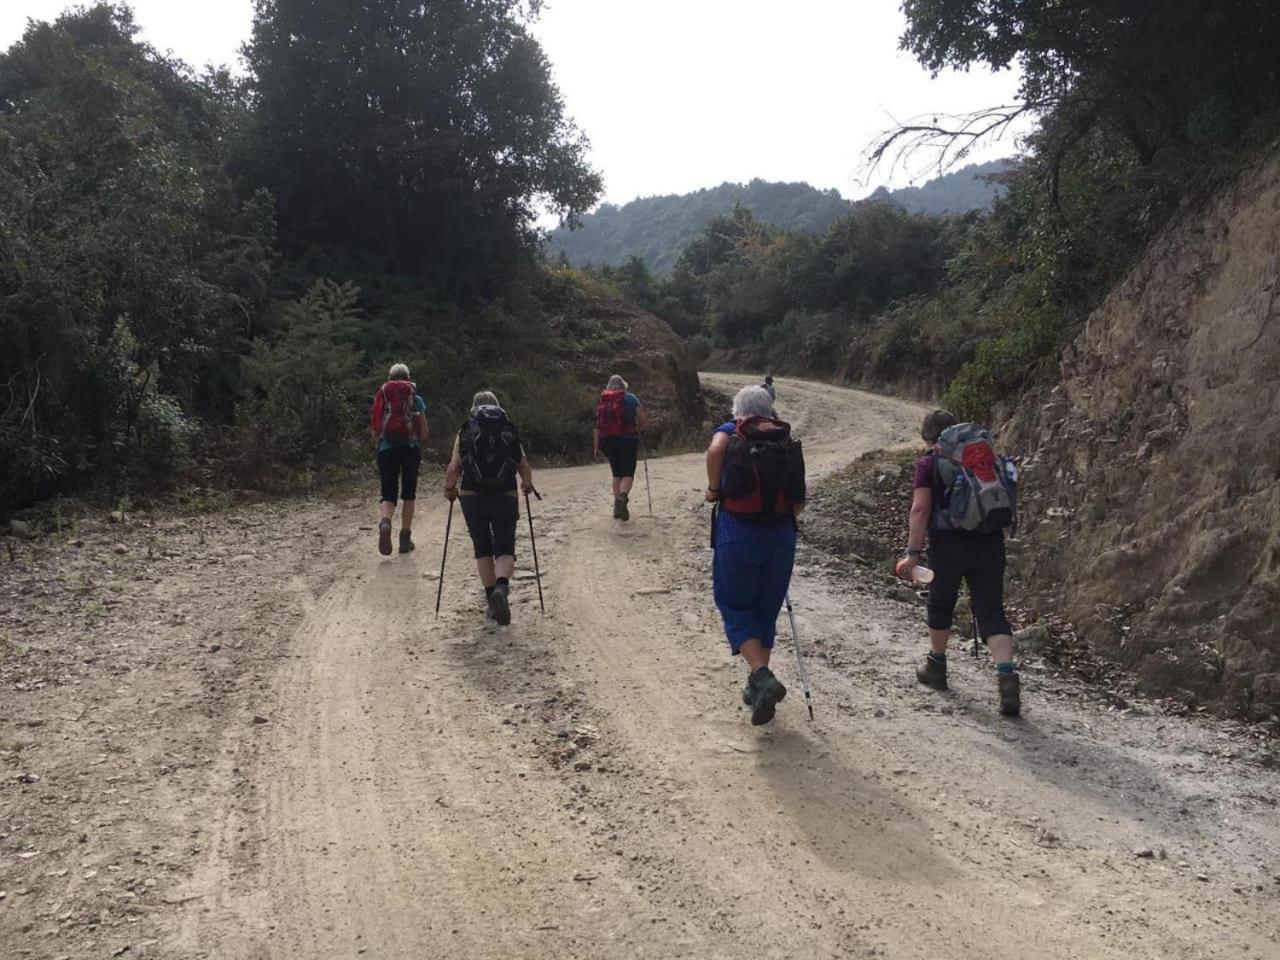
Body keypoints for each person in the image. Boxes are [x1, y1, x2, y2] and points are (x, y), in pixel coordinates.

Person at [896, 410, 1021, 717]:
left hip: (948, 544)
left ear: (930, 438)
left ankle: (936, 667)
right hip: (990, 540)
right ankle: (1007, 680)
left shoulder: (929, 462)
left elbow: (921, 509)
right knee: (991, 609)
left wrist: (912, 553)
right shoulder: (984, 458)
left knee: (940, 604)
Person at [705, 385, 806, 725]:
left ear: (739, 410)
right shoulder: (784, 439)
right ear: (769, 409)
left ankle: (761, 675)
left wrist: (714, 489)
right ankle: (756, 684)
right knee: (765, 609)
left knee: (734, 604)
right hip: (781, 536)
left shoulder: (732, 431)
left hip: (738, 532)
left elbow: (715, 450)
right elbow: (800, 501)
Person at [444, 391, 536, 625]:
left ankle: (490, 599)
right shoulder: (506, 428)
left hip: (472, 495)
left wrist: (450, 488)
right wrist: (526, 483)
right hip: (505, 494)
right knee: (505, 546)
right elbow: (522, 465)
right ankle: (501, 589)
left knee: (482, 548)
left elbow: (454, 466)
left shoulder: (466, 430)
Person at [369, 363, 428, 556]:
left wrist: (380, 443)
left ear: (389, 378)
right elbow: (424, 432)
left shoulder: (382, 397)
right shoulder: (415, 398)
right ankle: (405, 537)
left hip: (387, 449)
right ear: (408, 378)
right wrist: (418, 442)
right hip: (410, 449)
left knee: (388, 493)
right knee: (408, 493)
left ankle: (386, 522)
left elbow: (375, 427)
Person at [592, 374, 648, 520]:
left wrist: (596, 447)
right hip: (628, 439)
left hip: (609, 441)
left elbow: (597, 426)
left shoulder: (604, 400)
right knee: (628, 473)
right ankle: (622, 497)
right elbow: (642, 419)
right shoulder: (631, 398)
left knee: (616, 473)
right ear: (624, 385)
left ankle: (618, 508)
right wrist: (640, 429)